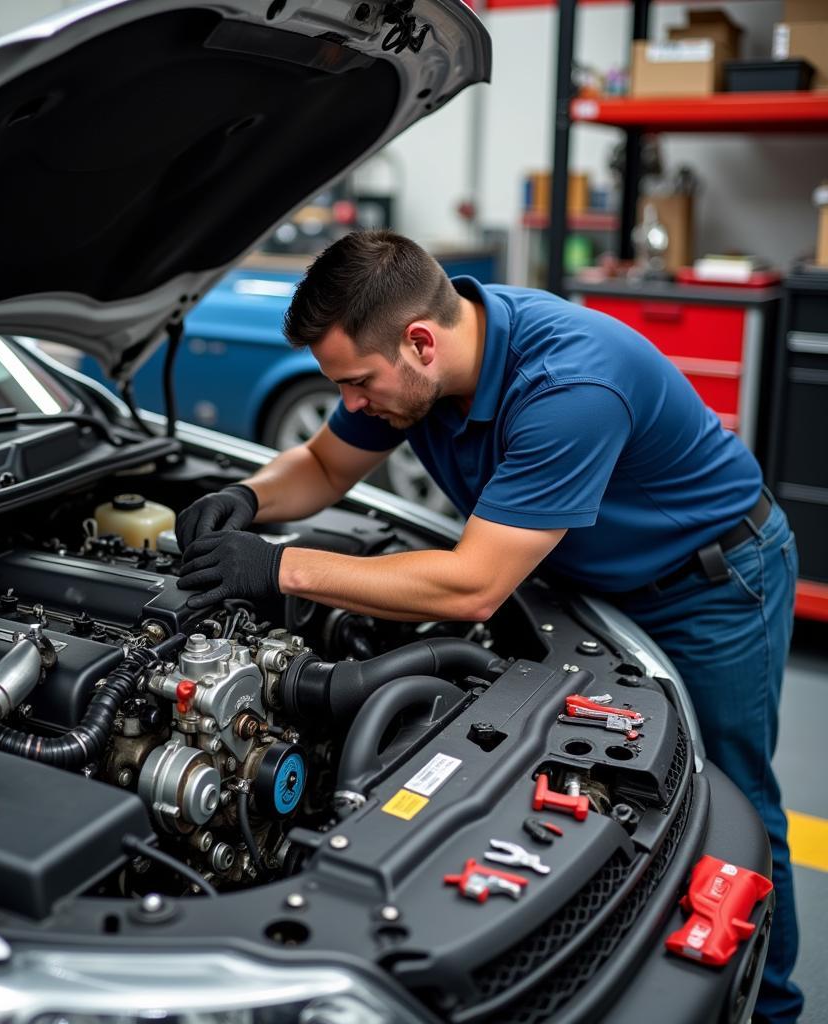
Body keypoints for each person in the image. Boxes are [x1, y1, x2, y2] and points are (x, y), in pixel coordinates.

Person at [175, 230, 802, 1024]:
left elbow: (472, 585)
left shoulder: (569, 385)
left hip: (707, 584)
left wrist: (277, 566)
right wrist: (248, 497)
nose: (354, 402)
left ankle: (774, 1007)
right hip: (579, 569)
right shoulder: (418, 372)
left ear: (420, 342)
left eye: (359, 383)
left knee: (736, 800)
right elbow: (329, 465)